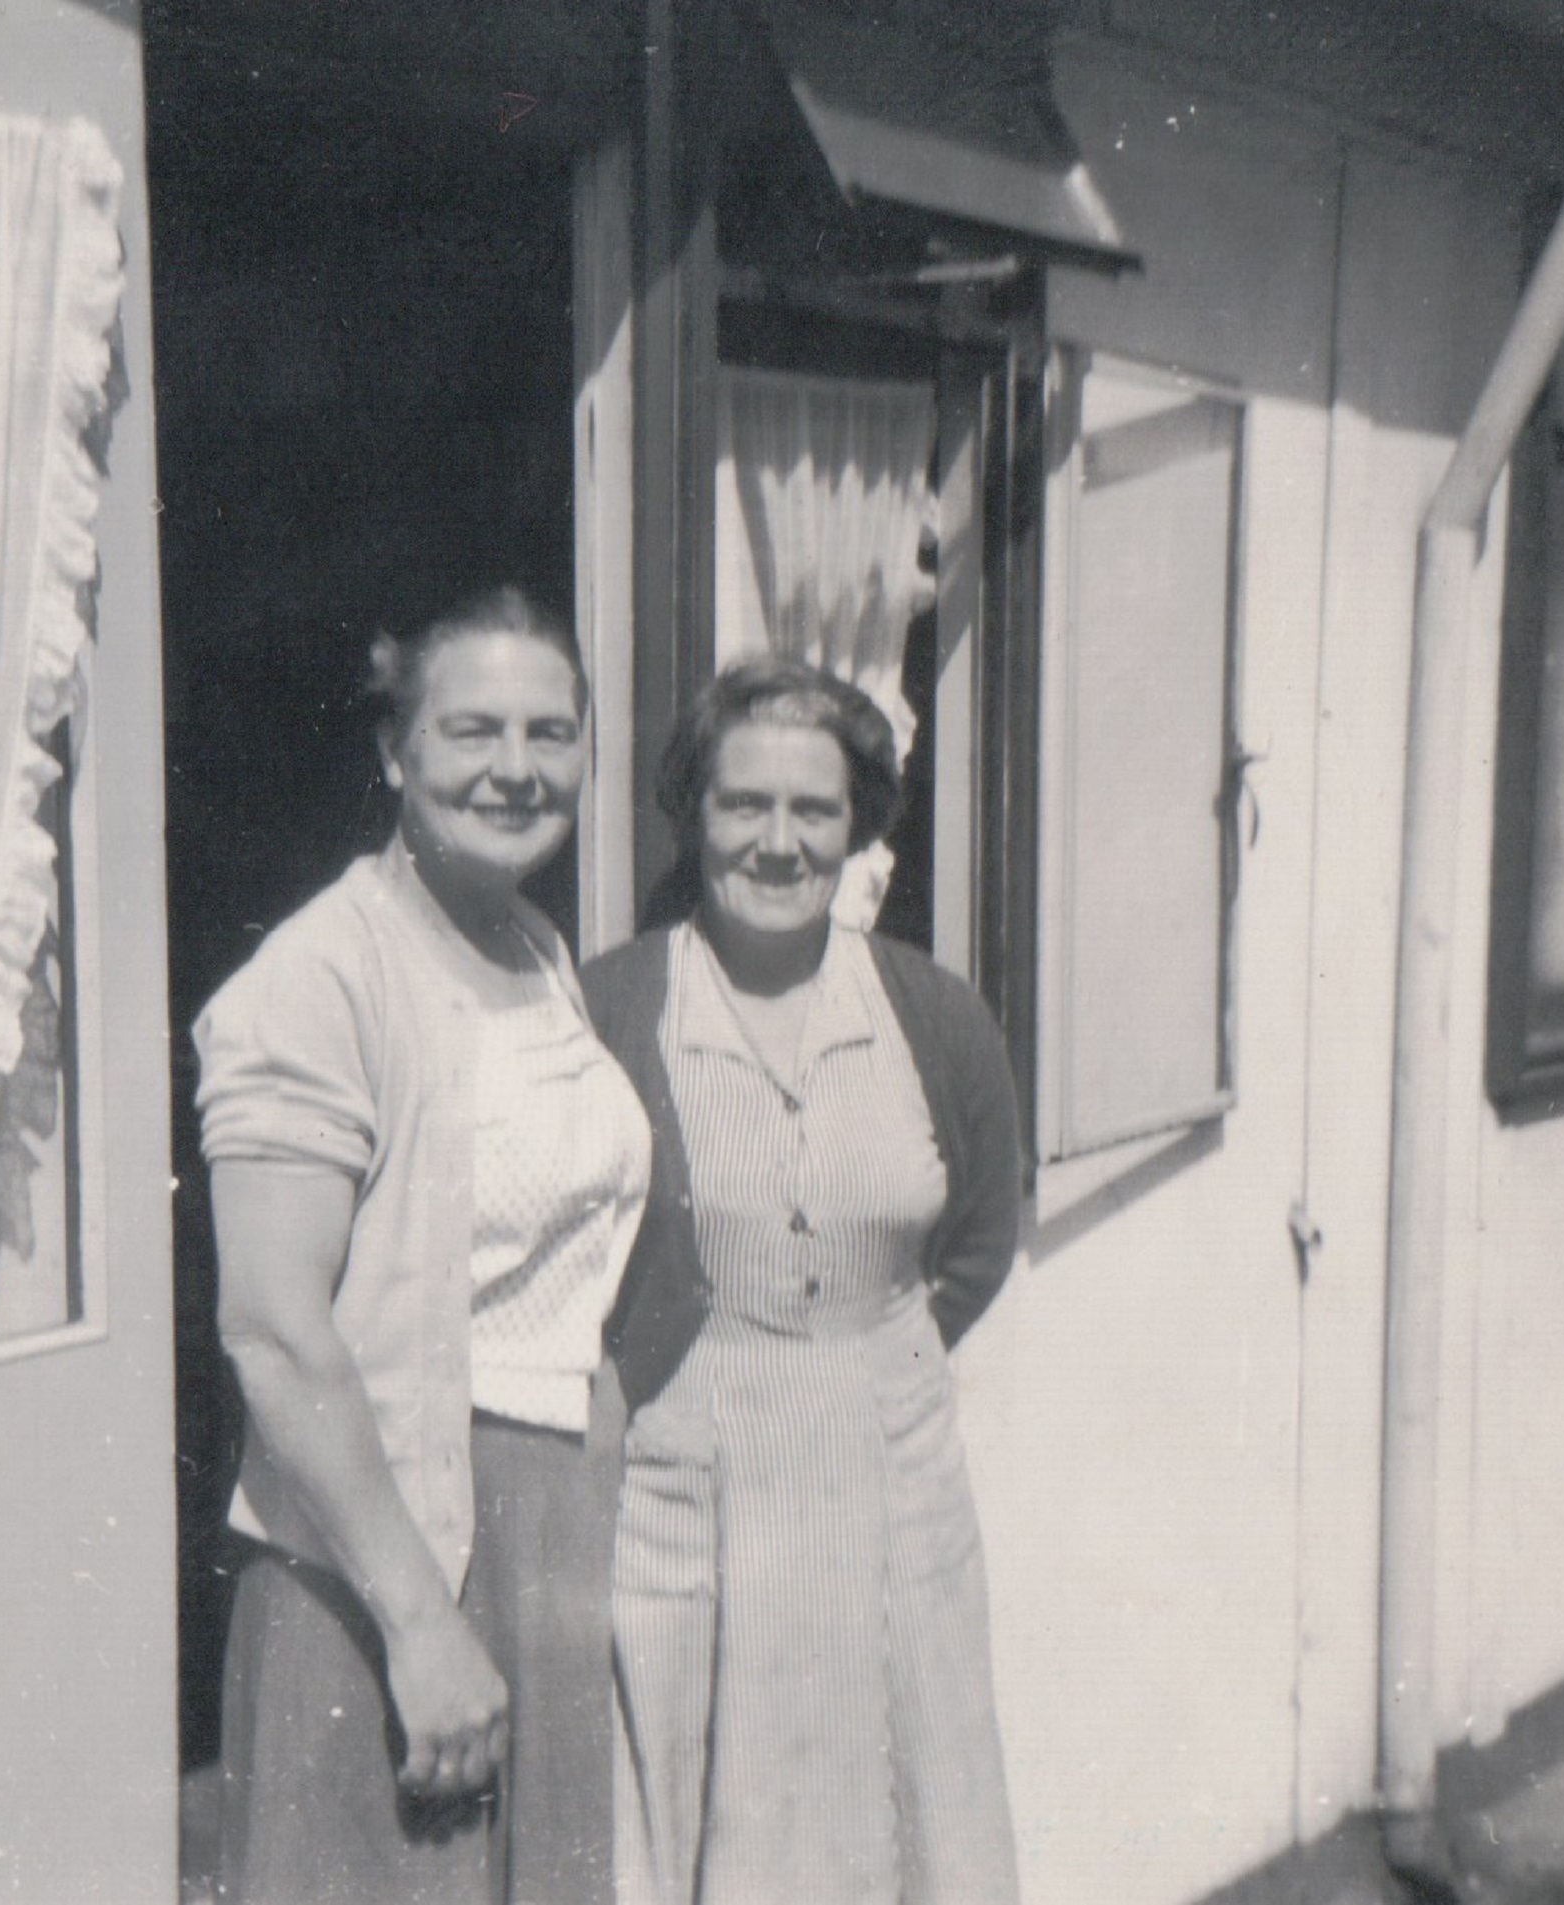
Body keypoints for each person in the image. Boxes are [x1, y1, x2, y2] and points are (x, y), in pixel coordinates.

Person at [193, 586, 651, 1903]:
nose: (517, 768)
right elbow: (274, 1334)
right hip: (382, 1547)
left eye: (551, 732)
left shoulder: (530, 941)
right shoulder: (319, 978)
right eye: (473, 729)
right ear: (394, 751)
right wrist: (417, 1618)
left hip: (544, 1527)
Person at [583, 656, 1025, 1905]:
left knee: (906, 1803)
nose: (776, 843)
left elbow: (980, 1240)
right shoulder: (612, 1009)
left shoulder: (932, 1017)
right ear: (694, 813)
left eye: (812, 812)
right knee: (695, 1795)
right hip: (687, 1469)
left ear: (859, 827)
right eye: (743, 806)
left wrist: (860, 1357)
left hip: (890, 1461)